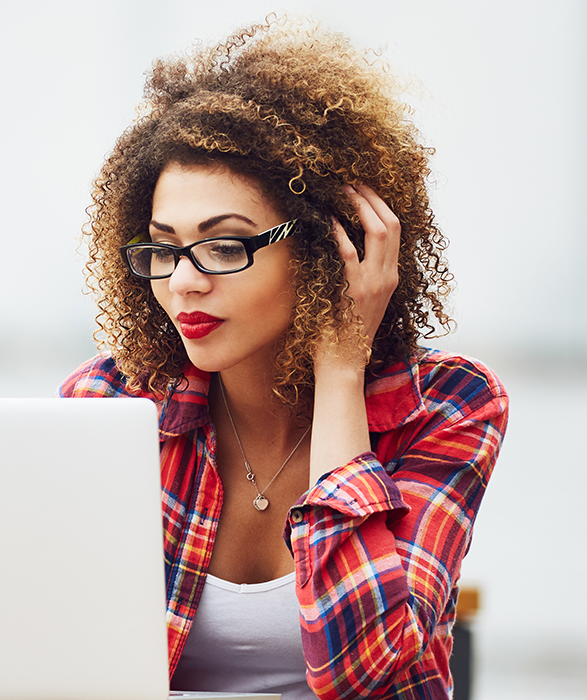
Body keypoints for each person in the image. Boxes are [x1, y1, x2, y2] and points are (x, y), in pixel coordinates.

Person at [59, 17, 509, 700]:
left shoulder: (448, 407)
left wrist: (339, 371)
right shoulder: (111, 405)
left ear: (331, 247)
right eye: (162, 247)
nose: (183, 282)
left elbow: (367, 671)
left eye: (225, 245)